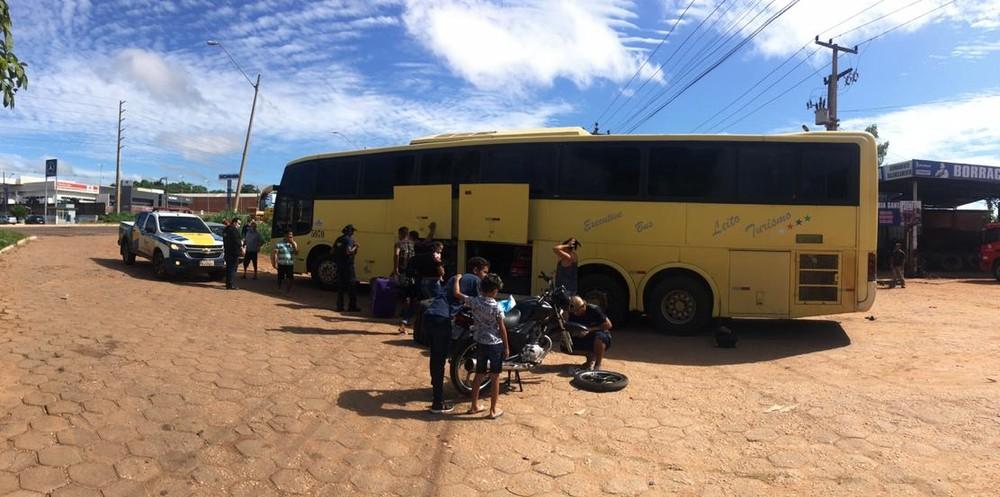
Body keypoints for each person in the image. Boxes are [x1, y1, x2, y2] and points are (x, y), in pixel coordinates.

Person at [421, 257, 490, 414]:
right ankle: (437, 403)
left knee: (436, 358)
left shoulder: (456, 278)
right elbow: (481, 303)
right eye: (485, 272)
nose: (485, 276)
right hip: (441, 319)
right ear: (476, 270)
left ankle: (436, 391)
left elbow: (452, 297)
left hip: (429, 316)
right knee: (439, 360)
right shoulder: (475, 281)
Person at [454, 273, 508, 420]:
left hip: (480, 343)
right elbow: (502, 328)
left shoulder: (475, 302)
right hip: (495, 345)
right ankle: (493, 410)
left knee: (479, 374)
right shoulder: (497, 307)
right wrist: (506, 347)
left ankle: (474, 406)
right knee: (495, 377)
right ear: (494, 291)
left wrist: (457, 279)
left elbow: (457, 293)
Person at [566, 295, 613, 371]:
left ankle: (597, 365)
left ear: (583, 306)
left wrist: (589, 330)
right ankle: (589, 359)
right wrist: (575, 333)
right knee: (566, 344)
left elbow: (609, 325)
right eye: (574, 311)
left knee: (599, 338)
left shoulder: (594, 309)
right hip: (584, 336)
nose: (576, 313)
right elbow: (570, 326)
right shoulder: (573, 313)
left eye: (577, 311)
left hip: (600, 335)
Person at [333, 224, 360, 312]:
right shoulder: (349, 240)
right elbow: (349, 251)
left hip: (339, 265)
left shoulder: (338, 239)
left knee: (340, 286)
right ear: (349, 232)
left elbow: (332, 251)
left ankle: (339, 306)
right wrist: (356, 246)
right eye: (352, 231)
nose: (353, 233)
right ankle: (352, 306)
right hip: (348, 265)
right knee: (351, 286)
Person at [393, 227, 415, 333]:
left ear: (401, 233)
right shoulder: (412, 244)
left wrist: (395, 268)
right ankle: (406, 318)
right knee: (410, 296)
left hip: (402, 272)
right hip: (412, 273)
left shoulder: (399, 243)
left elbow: (397, 254)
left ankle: (403, 320)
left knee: (403, 295)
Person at [222, 217, 243, 290]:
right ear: (234, 223)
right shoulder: (234, 230)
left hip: (227, 251)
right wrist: (242, 249)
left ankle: (228, 283)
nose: (239, 225)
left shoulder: (226, 229)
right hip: (233, 252)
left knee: (229, 268)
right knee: (233, 268)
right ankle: (231, 284)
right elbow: (237, 241)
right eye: (239, 224)